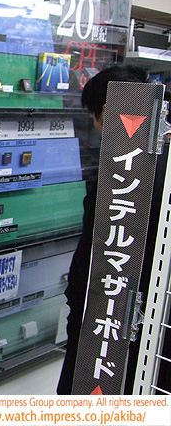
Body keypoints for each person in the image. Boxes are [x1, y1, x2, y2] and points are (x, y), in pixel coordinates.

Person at [57, 64, 150, 395]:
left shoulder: (118, 179)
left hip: (99, 310)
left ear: (109, 111)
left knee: (83, 381)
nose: (95, 128)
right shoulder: (153, 164)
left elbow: (94, 254)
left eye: (94, 117)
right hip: (136, 316)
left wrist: (76, 295)